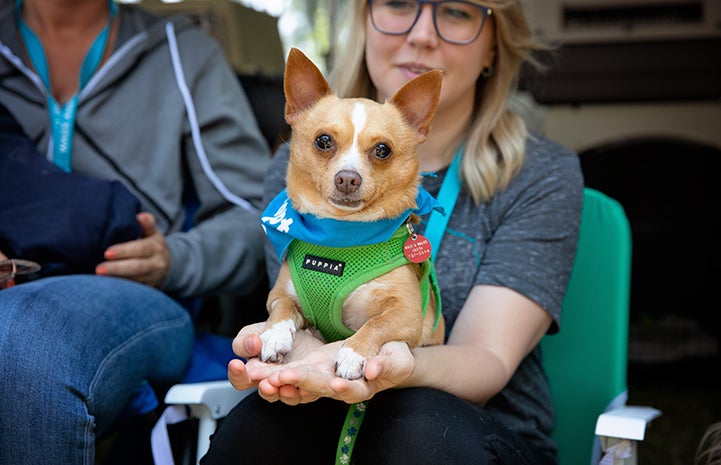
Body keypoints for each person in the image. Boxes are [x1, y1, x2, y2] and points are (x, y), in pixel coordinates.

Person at [202, 0, 583, 464]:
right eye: (399, 3)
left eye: (457, 12)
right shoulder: (302, 169)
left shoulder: (539, 175)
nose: (422, 34)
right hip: (326, 410)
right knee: (252, 431)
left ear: (494, 47)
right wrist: (297, 352)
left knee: (418, 429)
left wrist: (385, 363)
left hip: (477, 427)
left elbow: (488, 358)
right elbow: (302, 303)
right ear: (362, 21)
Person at [0, 0, 270, 463]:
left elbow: (258, 216)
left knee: (25, 342)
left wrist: (177, 258)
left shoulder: (182, 52)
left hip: (140, 295)